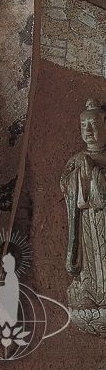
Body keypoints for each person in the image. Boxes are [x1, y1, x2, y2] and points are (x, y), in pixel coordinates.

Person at [61, 98, 106, 329]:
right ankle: (90, 293)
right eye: (84, 126)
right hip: (85, 223)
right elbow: (65, 186)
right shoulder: (76, 161)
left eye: (94, 124)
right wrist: (80, 176)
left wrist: (95, 174)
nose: (88, 131)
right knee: (91, 261)